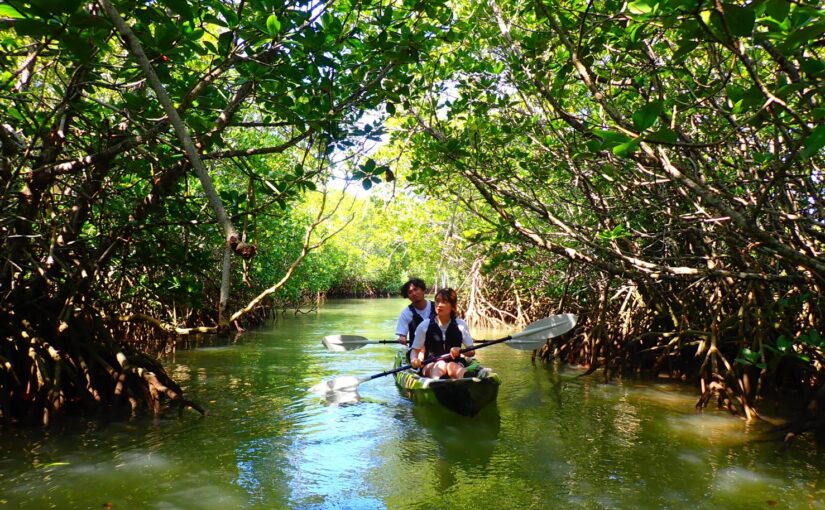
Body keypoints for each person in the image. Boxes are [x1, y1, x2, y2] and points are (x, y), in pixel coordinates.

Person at [410, 288, 475, 379]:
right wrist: (414, 359)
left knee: (451, 365)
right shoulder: (424, 325)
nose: (439, 305)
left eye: (444, 302)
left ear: (453, 306)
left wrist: (460, 350)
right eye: (437, 301)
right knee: (441, 364)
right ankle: (438, 385)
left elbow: (471, 351)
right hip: (430, 364)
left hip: (455, 363)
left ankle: (467, 380)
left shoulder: (461, 325)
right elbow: (415, 350)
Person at [395, 277, 434, 346]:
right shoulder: (406, 313)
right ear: (408, 296)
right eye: (410, 292)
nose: (414, 293)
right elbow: (402, 335)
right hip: (417, 350)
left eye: (416, 289)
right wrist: (402, 337)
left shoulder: (436, 307)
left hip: (437, 348)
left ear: (423, 290)